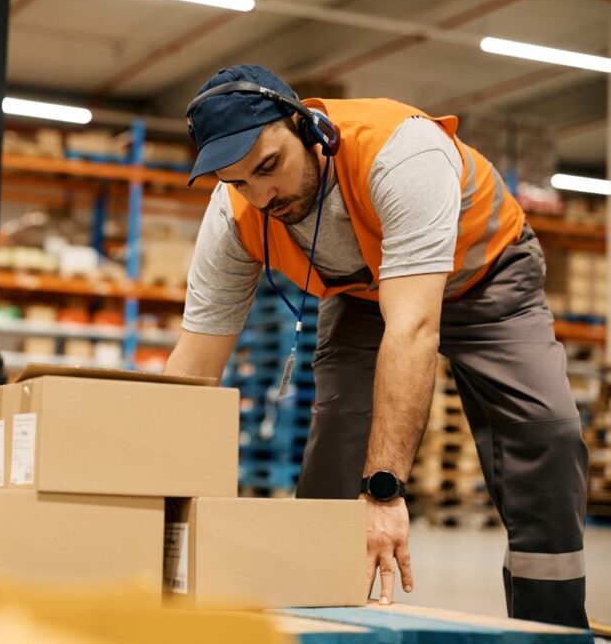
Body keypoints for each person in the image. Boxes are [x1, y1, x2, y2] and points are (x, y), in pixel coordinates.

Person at [165, 64, 588, 628]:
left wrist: (384, 492)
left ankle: (551, 627)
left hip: (488, 281)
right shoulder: (236, 214)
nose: (262, 195)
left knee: (547, 432)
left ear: (308, 128)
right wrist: (153, 503)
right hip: (363, 293)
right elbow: (194, 367)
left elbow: (412, 328)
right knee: (339, 431)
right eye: (239, 182)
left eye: (270, 167)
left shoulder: (400, 154)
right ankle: (309, 619)